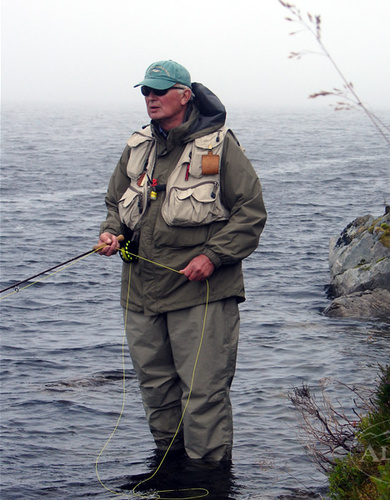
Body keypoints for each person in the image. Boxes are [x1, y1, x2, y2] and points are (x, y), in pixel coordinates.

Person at [97, 60, 266, 462]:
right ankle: (170, 473)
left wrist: (213, 256)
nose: (150, 98)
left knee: (203, 393)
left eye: (159, 91)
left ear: (185, 95)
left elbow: (251, 212)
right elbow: (114, 204)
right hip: (140, 293)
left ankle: (209, 482)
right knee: (156, 390)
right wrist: (111, 231)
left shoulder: (221, 146)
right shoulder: (138, 145)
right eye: (145, 92)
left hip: (200, 293)